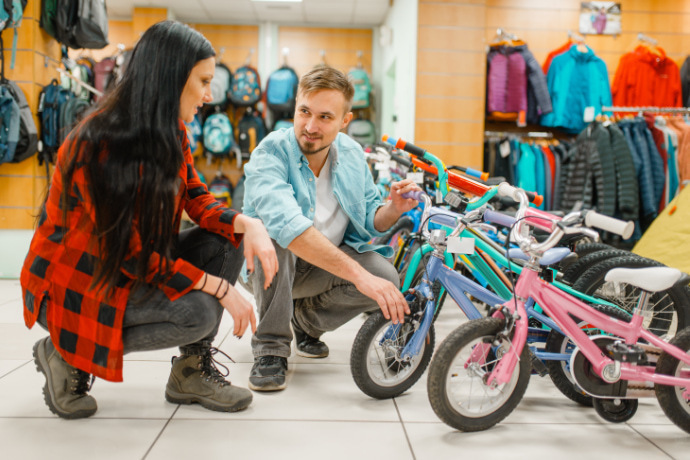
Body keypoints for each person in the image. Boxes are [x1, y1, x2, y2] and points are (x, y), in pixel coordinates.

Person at [20, 20, 278, 419]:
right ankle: (63, 351)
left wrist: (252, 225)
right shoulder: (98, 144)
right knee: (200, 312)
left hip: (126, 265)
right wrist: (223, 290)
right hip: (75, 285)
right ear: (170, 79)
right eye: (203, 81)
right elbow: (133, 257)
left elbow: (198, 200)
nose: (210, 95)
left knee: (226, 238)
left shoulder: (171, 131)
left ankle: (190, 373)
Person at [241, 66, 419, 391]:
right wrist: (359, 277)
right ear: (295, 107)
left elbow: (369, 221)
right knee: (276, 236)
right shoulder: (270, 152)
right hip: (270, 266)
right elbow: (289, 228)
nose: (310, 126)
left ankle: (305, 321)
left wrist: (394, 208)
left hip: (323, 264)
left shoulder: (351, 154)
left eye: (325, 117)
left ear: (344, 121)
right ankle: (270, 349)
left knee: (386, 277)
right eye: (304, 112)